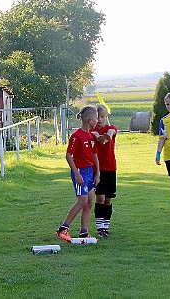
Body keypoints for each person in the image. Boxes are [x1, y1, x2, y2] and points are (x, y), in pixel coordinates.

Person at [55, 105, 100, 242]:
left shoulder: (91, 136)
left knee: (89, 202)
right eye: (96, 118)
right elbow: (68, 155)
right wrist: (76, 174)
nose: (98, 121)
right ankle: (63, 228)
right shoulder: (76, 136)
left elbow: (94, 155)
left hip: (89, 172)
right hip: (80, 171)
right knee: (82, 201)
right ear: (90, 120)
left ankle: (84, 233)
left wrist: (97, 173)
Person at [90, 104, 117, 237]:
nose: (100, 119)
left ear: (106, 117)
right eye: (97, 117)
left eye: (102, 116)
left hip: (111, 168)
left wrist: (108, 136)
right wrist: (96, 135)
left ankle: (106, 226)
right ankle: (100, 227)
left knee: (108, 199)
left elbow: (112, 132)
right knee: (100, 197)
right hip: (97, 170)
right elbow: (93, 135)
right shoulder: (91, 131)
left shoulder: (110, 128)